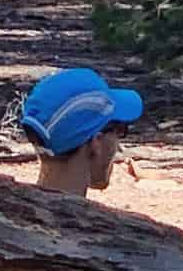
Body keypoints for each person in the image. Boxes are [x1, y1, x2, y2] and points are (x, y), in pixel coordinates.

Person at [22, 68, 143, 199]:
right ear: (96, 142)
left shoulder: (17, 212)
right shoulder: (86, 219)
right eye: (119, 129)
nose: (118, 144)